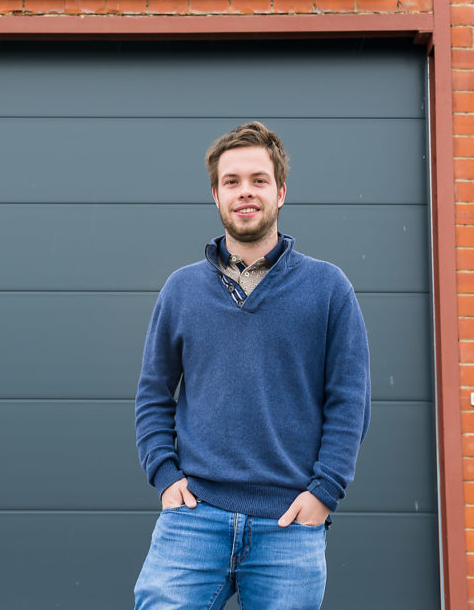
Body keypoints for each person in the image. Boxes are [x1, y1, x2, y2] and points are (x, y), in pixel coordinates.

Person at [133, 121, 371, 610]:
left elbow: (349, 400)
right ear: (215, 197)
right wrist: (164, 475)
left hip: (288, 524)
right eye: (232, 182)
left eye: (259, 180)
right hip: (194, 516)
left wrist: (324, 492)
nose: (245, 192)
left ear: (281, 192)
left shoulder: (328, 289)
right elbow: (154, 394)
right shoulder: (181, 290)